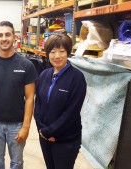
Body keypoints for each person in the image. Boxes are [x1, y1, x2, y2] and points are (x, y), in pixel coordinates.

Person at [0, 21, 37, 169]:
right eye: (0, 35)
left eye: (7, 34)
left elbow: (30, 98)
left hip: (17, 125)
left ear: (14, 37)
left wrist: (26, 126)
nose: (4, 38)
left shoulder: (26, 66)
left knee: (17, 163)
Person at [34, 34, 87, 169]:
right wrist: (42, 130)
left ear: (68, 52)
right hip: (45, 138)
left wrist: (50, 131)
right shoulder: (44, 75)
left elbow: (71, 113)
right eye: (52, 52)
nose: (57, 56)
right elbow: (38, 104)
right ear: (47, 54)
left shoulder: (77, 78)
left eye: (62, 51)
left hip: (66, 140)